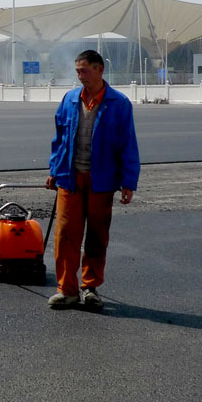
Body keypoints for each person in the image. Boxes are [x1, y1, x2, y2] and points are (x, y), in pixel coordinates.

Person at [46, 50, 140, 309]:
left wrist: (128, 182)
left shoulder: (119, 104)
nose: (80, 76)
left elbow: (127, 145)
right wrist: (54, 169)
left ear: (100, 70)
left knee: (97, 236)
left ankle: (90, 287)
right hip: (70, 178)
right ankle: (67, 289)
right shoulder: (69, 99)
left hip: (102, 181)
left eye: (84, 70)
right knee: (65, 235)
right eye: (77, 71)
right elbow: (59, 140)